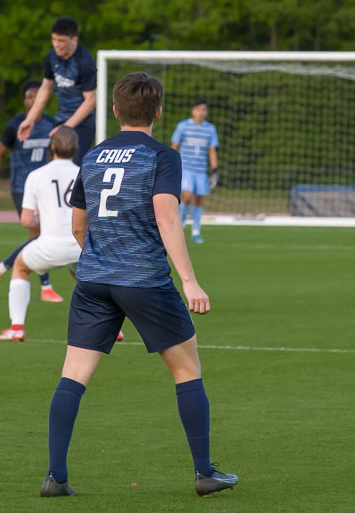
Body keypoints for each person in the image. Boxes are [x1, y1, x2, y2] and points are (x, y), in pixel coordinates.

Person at [40, 72, 238, 499]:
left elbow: (78, 224)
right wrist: (190, 281)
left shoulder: (91, 156)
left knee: (73, 374)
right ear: (159, 113)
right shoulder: (162, 156)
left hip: (92, 281)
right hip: (144, 281)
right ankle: (205, 473)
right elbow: (167, 217)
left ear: (114, 111)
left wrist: (99, 257)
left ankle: (55, 478)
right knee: (186, 369)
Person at [0, 128, 84, 341]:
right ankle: (113, 328)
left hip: (49, 245)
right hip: (80, 245)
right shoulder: (83, 172)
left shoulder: (36, 175)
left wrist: (43, 220)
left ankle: (17, 327)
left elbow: (26, 220)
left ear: (51, 148)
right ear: (76, 149)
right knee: (85, 279)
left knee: (20, 267)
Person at [0, 80, 62, 303]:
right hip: (22, 187)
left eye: (37, 95)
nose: (33, 100)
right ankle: (44, 286)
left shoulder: (51, 124)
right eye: (29, 96)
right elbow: (0, 154)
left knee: (41, 236)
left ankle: (0, 269)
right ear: (24, 100)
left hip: (45, 188)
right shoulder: (15, 125)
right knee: (38, 234)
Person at [17, 17, 96, 166]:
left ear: (74, 40)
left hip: (82, 125)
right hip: (60, 122)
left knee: (73, 172)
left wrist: (66, 127)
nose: (56, 44)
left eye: (61, 40)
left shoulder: (85, 62)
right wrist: (30, 119)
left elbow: (91, 101)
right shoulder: (52, 57)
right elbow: (46, 88)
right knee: (54, 168)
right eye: (54, 39)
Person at [170, 99, 219, 244]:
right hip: (186, 168)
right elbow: (174, 146)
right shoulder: (183, 126)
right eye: (198, 109)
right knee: (187, 195)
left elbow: (212, 150)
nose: (201, 112)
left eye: (204, 109)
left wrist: (215, 169)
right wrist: (171, 165)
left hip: (201, 169)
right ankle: (181, 225)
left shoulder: (210, 129)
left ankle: (196, 231)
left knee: (198, 199)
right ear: (193, 111)